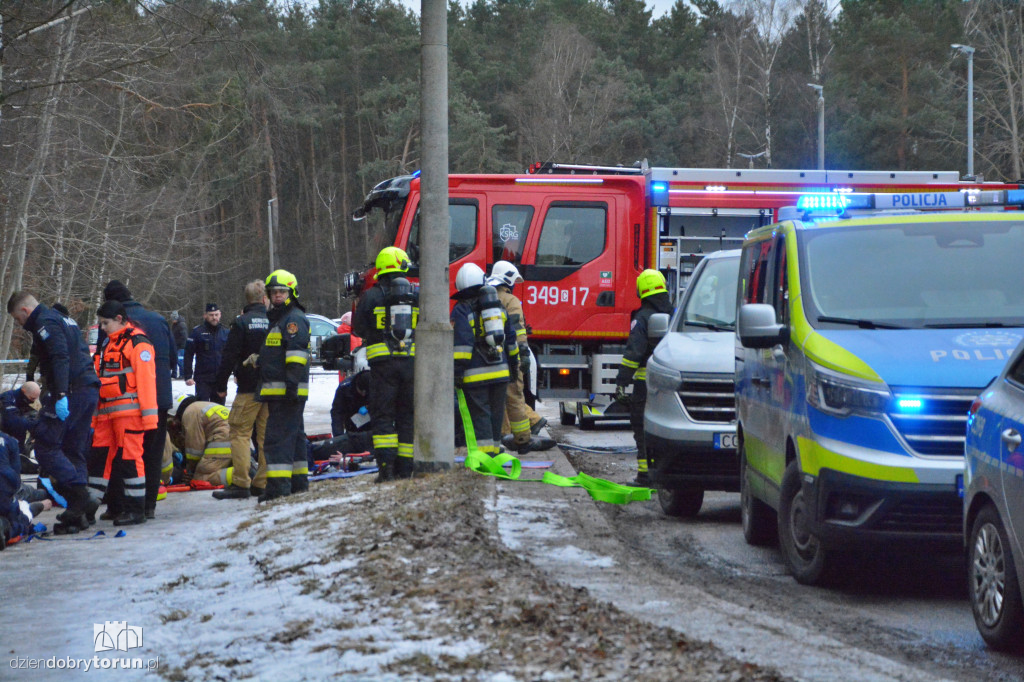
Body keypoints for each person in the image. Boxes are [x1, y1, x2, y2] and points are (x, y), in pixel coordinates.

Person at [7, 291, 101, 534]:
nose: (21, 324)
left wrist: (59, 394)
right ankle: (80, 513)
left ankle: (79, 498)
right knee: (73, 449)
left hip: (69, 392)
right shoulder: (63, 319)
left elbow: (60, 356)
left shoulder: (44, 322)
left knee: (46, 447)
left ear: (25, 311)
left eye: (19, 320)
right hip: (87, 388)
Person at [101, 280, 177, 520]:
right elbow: (174, 358)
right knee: (152, 455)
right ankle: (147, 506)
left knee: (125, 455)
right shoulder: (158, 319)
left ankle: (122, 506)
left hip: (127, 403)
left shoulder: (114, 325)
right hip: (160, 398)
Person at [89, 300, 158, 526]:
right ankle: (87, 508)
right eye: (100, 324)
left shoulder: (139, 344)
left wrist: (149, 419)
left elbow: (147, 383)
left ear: (119, 319)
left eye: (105, 323)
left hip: (129, 415)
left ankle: (136, 510)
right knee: (98, 461)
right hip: (106, 416)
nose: (102, 328)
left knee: (130, 461)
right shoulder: (107, 344)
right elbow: (99, 381)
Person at [352, 247, 418, 482]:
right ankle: (405, 468)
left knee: (382, 416)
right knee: (406, 416)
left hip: (382, 367)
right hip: (410, 365)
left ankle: (386, 469)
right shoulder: (414, 295)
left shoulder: (371, 296)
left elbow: (358, 329)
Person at [451, 263, 518, 457]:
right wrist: (513, 367)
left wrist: (456, 373)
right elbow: (511, 341)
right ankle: (495, 452)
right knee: (497, 415)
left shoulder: (462, 310)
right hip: (501, 372)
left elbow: (462, 347)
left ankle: (485, 458)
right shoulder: (497, 308)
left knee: (480, 415)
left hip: (475, 375)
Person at [487, 261, 555, 455]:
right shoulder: (511, 300)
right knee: (514, 395)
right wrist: (523, 353)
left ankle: (504, 434)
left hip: (488, 357)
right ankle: (523, 438)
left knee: (496, 397)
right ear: (508, 279)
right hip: (510, 356)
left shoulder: (485, 297)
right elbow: (517, 330)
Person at [211, 280, 270, 500]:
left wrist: (220, 385)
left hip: (248, 388)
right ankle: (262, 482)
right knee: (264, 436)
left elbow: (229, 356)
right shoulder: (273, 320)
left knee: (240, 433)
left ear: (247, 300)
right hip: (270, 388)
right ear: (264, 299)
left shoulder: (242, 323)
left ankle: (241, 482)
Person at [614, 269, 673, 486]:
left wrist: (621, 382)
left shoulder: (642, 318)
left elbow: (633, 353)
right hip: (669, 384)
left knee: (641, 426)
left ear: (642, 290)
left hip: (644, 384)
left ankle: (645, 475)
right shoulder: (675, 314)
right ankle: (666, 474)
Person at [255, 270, 311, 501]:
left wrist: (291, 387)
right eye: (273, 292)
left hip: (287, 392)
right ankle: (298, 483)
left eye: (282, 292)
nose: (277, 296)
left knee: (277, 440)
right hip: (285, 391)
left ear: (291, 293)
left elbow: (296, 356)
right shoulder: (280, 318)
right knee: (295, 438)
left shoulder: (293, 319)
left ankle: (278, 489)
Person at [166, 396, 238, 486]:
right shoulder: (202, 406)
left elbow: (195, 450)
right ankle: (243, 468)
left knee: (200, 478)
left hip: (222, 441)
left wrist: (190, 471)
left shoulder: (189, 413)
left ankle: (241, 475)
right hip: (238, 440)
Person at [184, 303, 229, 404]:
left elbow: (231, 355)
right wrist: (188, 375)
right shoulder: (197, 332)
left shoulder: (226, 332)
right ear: (205, 315)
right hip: (203, 379)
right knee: (201, 409)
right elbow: (188, 354)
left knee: (219, 411)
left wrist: (235, 373)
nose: (214, 318)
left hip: (220, 379)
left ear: (220, 315)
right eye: (211, 315)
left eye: (216, 315)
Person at [327, 369, 373, 455]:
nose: (363, 395)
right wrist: (339, 438)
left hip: (371, 428)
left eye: (365, 394)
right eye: (361, 392)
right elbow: (337, 414)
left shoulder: (378, 386)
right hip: (352, 427)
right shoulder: (344, 388)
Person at [0, 381, 41, 451]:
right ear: (23, 391)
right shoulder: (7, 399)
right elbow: (13, 422)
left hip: (18, 441)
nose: (32, 402)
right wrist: (32, 423)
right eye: (32, 398)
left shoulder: (21, 399)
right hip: (5, 439)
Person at [169, 311, 188, 379]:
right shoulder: (175, 325)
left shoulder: (181, 325)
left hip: (181, 346)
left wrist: (180, 344)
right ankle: (174, 374)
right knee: (175, 360)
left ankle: (182, 374)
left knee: (180, 360)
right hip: (176, 346)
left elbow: (184, 337)